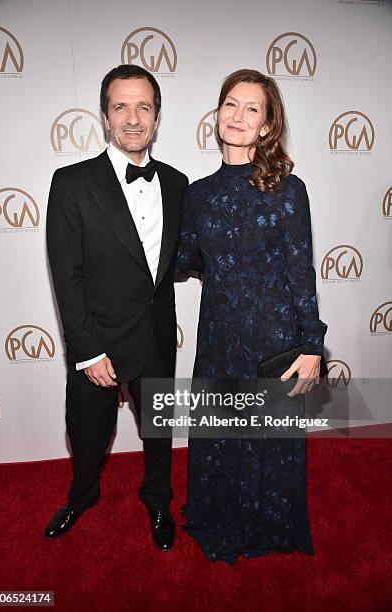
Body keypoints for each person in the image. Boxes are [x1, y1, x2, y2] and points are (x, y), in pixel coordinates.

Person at [176, 69, 327, 563]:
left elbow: (300, 270)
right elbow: (184, 261)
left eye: (252, 109)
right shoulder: (197, 194)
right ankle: (221, 517)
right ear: (217, 113)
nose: (237, 116)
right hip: (219, 335)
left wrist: (311, 345)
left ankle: (267, 527)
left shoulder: (287, 188)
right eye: (230, 105)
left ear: (267, 126)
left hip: (274, 338)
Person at [45, 64, 188, 551]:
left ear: (156, 116)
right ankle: (80, 498)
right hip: (97, 340)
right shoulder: (71, 182)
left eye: (143, 107)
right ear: (105, 117)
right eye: (121, 107)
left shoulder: (177, 182)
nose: (132, 118)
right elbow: (67, 275)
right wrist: (86, 351)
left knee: (159, 433)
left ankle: (157, 499)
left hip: (155, 335)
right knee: (87, 435)